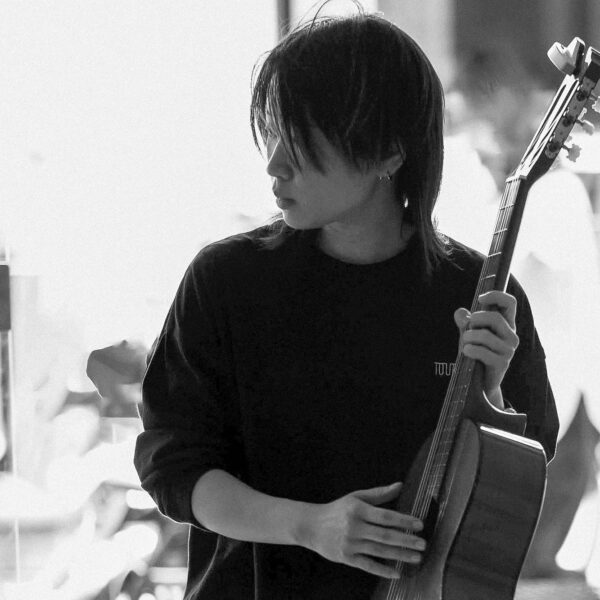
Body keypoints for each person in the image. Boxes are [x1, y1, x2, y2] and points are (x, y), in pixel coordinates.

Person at [133, 7, 559, 599]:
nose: (275, 163)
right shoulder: (227, 281)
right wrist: (309, 526)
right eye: (272, 131)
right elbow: (174, 466)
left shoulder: (480, 293)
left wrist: (493, 391)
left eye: (301, 138)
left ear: (388, 152)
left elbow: (522, 470)